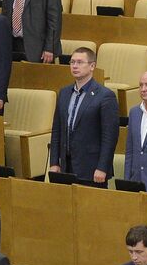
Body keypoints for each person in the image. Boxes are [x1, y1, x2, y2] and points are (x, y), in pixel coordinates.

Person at [48, 47, 119, 183]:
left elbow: (109, 136)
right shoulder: (64, 93)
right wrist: (54, 162)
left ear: (92, 66)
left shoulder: (105, 96)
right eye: (72, 62)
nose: (75, 66)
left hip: (92, 169)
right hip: (66, 166)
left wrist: (102, 167)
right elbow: (57, 129)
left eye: (80, 62)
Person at [1, 0, 63, 64]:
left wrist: (50, 47)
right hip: (11, 43)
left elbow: (54, 18)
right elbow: (5, 11)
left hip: (37, 47)